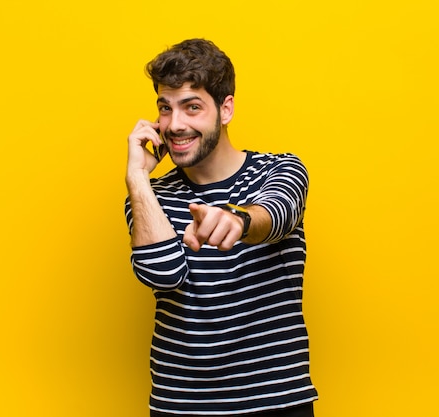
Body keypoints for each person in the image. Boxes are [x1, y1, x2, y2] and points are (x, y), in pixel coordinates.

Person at [124, 38, 318, 417]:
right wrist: (136, 177)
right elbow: (161, 274)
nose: (174, 125)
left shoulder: (279, 170)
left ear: (225, 109)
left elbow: (275, 215)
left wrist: (238, 219)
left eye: (191, 107)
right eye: (165, 109)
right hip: (180, 406)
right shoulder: (150, 194)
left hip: (275, 402)